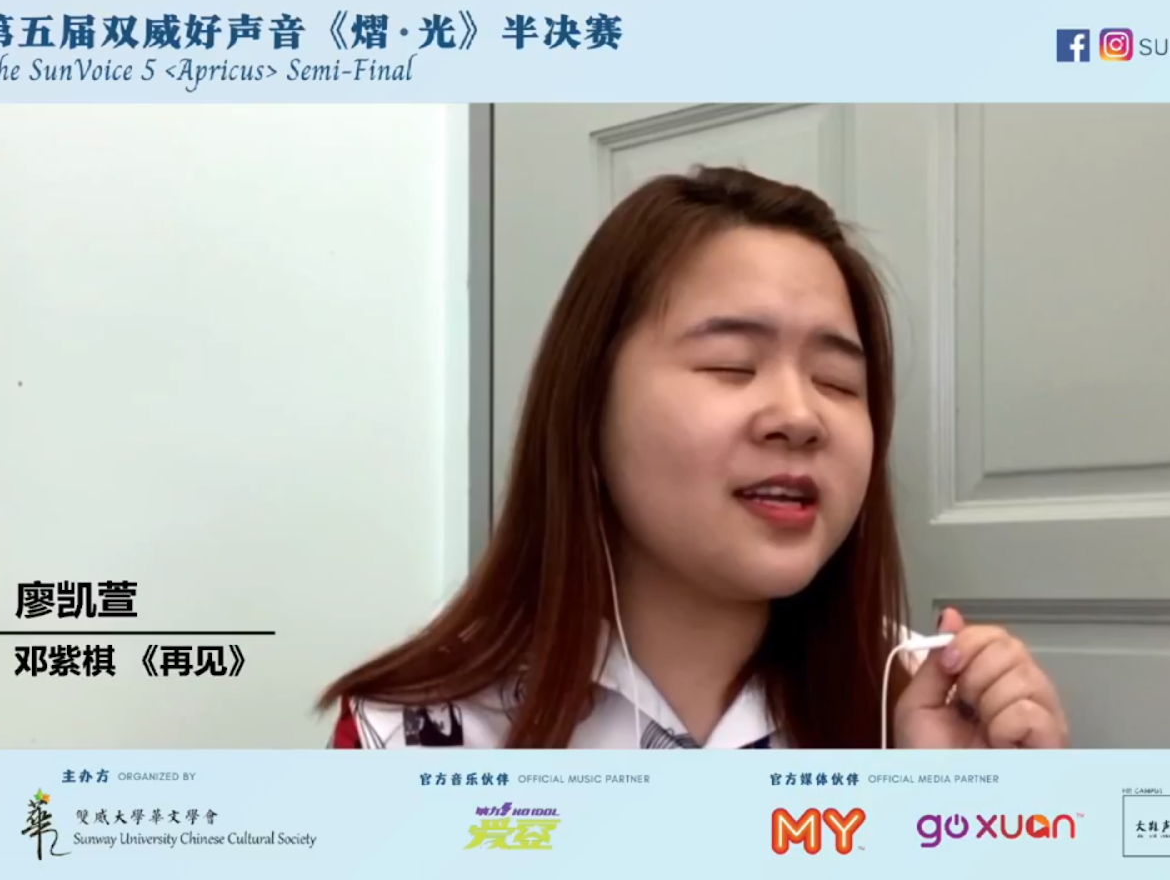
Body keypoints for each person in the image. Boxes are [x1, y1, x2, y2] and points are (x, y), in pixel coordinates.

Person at [322, 166, 1069, 750]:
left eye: (838, 382)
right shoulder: (412, 735)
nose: (800, 417)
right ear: (587, 406)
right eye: (731, 366)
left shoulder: (931, 704)